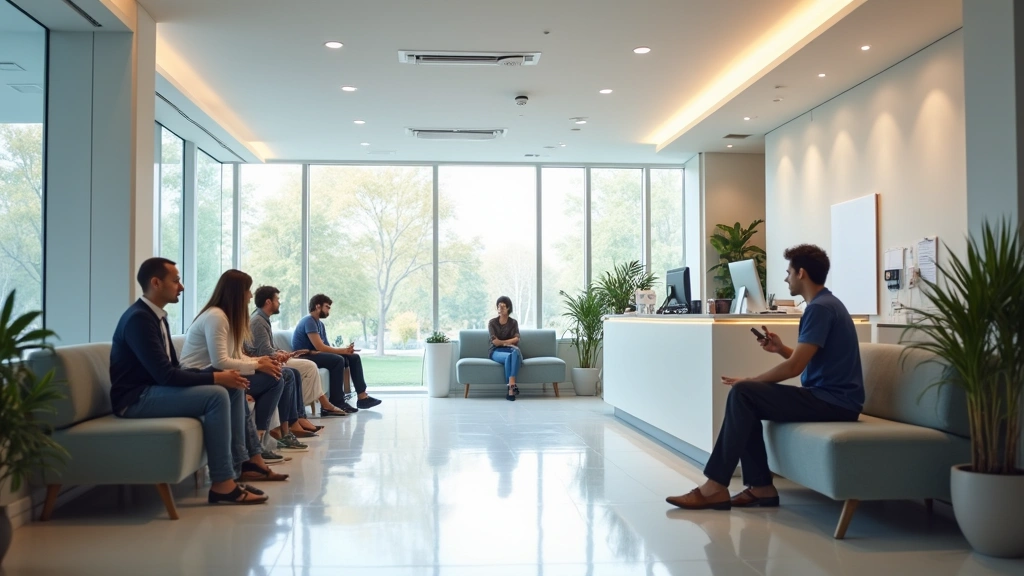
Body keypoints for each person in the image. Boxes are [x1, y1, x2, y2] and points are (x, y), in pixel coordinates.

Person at [666, 244, 864, 510]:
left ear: (802, 273)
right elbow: (807, 361)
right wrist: (780, 348)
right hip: (831, 398)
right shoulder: (825, 305)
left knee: (744, 393)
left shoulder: (820, 309)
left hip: (834, 402)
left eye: (789, 272)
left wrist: (752, 380)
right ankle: (760, 488)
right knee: (746, 398)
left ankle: (716, 486)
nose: (786, 278)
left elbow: (795, 368)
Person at [109, 257, 267, 505]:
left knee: (232, 388)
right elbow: (166, 375)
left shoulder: (156, 317)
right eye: (176, 281)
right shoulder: (139, 320)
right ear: (156, 283)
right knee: (217, 394)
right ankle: (222, 484)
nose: (181, 287)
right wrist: (215, 377)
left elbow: (171, 368)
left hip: (154, 390)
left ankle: (238, 469)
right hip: (134, 399)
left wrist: (222, 378)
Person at [179, 269, 297, 479]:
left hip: (217, 373)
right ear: (237, 292)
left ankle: (255, 455)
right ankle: (255, 453)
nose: (251, 296)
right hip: (201, 376)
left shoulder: (225, 317)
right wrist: (258, 365)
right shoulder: (216, 317)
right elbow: (220, 362)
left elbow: (234, 357)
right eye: (248, 290)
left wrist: (260, 362)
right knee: (274, 379)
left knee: (276, 377)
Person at [246, 285, 341, 432]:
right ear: (268, 302)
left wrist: (280, 351)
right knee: (298, 371)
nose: (279, 302)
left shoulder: (262, 319)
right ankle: (294, 422)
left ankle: (298, 418)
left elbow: (266, 348)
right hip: (262, 363)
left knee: (295, 372)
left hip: (270, 359)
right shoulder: (258, 321)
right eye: (277, 299)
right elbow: (263, 352)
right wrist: (279, 354)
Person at [292, 294, 382, 412]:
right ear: (318, 306)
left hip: (315, 354)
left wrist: (346, 351)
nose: (329, 310)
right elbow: (320, 347)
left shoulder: (320, 324)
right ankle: (337, 402)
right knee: (337, 360)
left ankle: (362, 397)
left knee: (353, 357)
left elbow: (326, 347)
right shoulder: (309, 321)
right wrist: (343, 351)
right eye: (327, 307)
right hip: (305, 356)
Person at [488, 296, 522, 402]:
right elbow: (495, 342)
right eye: (498, 305)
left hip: (512, 350)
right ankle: (512, 386)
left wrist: (503, 343)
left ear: (508, 308)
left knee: (514, 353)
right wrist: (507, 342)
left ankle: (510, 389)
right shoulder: (492, 323)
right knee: (511, 355)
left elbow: (517, 338)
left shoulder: (513, 323)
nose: (500, 308)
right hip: (496, 351)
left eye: (503, 306)